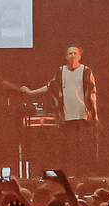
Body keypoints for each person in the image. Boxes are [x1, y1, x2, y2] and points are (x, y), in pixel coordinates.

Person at [23, 46, 101, 177]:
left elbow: (92, 93)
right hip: (66, 116)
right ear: (66, 56)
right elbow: (50, 87)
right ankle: (70, 174)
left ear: (79, 56)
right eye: (70, 53)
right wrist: (31, 93)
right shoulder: (61, 71)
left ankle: (83, 174)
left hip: (82, 116)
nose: (72, 56)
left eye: (75, 53)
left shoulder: (85, 71)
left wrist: (95, 115)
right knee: (68, 147)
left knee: (82, 147)